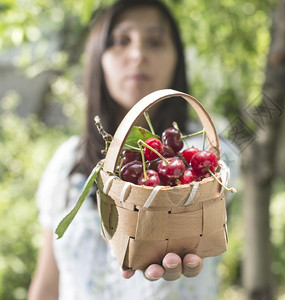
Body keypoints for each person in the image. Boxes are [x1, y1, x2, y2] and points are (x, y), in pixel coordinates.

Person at [28, 0, 239, 299]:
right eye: (121, 41)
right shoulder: (67, 162)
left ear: (176, 58)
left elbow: (200, 224)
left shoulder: (206, 153)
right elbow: (46, 283)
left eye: (155, 42)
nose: (138, 55)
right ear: (98, 58)